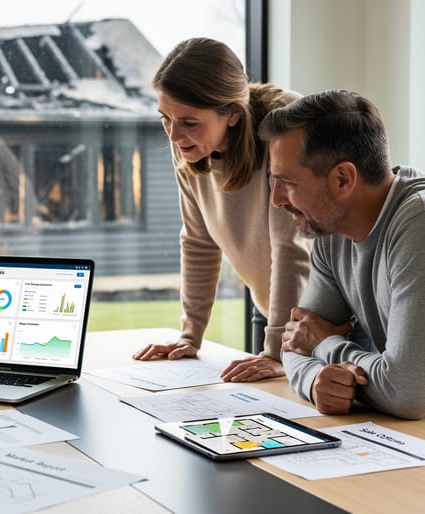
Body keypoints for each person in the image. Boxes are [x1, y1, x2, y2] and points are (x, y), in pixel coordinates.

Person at [258, 89, 425, 435]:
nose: (276, 199)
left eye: (287, 182)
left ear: (343, 178)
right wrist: (315, 379)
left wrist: (324, 346)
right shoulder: (332, 231)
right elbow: (295, 343)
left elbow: (408, 393)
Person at [132, 37, 313, 382]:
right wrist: (190, 335)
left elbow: (290, 249)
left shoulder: (284, 129)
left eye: (188, 122)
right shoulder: (189, 144)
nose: (173, 135)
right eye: (165, 118)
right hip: (273, 309)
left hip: (321, 322)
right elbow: (198, 240)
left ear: (231, 113)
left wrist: (277, 350)